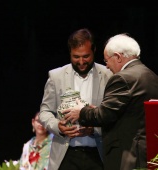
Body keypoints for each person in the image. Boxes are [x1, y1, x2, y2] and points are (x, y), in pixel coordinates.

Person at [63, 33, 158, 170]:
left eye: (107, 60)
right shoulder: (151, 75)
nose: (106, 66)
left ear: (118, 57)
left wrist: (81, 112)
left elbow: (103, 115)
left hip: (129, 155)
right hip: (147, 152)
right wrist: (97, 110)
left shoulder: (122, 78)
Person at [39, 28, 112, 170]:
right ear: (70, 53)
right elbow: (45, 111)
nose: (81, 61)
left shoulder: (109, 75)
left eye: (86, 56)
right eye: (76, 57)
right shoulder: (56, 76)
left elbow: (114, 115)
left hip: (98, 155)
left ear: (94, 51)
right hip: (66, 155)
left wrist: (95, 129)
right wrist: (58, 127)